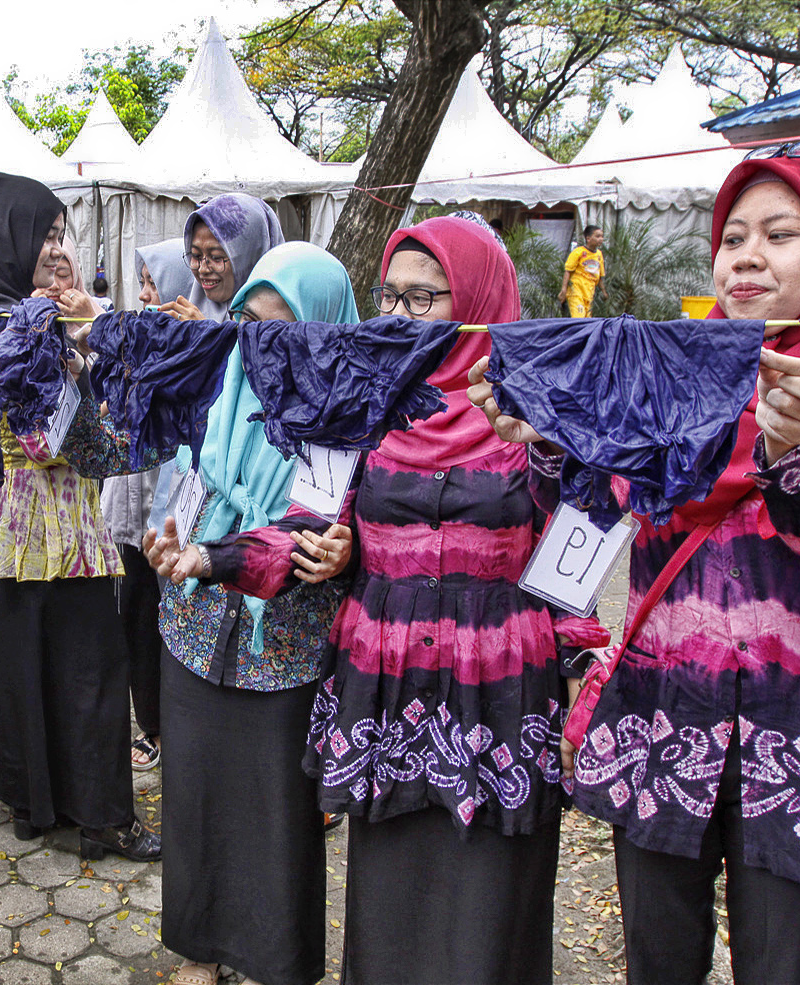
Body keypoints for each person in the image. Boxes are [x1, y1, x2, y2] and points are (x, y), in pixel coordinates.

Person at [471, 145, 800, 984]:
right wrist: (549, 439)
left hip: (799, 739)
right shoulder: (665, 370)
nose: (747, 255)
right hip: (660, 721)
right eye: (734, 234)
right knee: (658, 960)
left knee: (783, 966)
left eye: (781, 234)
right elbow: (600, 501)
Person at [200, 214, 609, 984]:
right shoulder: (361, 402)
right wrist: (211, 557)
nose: (397, 316)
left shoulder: (538, 409)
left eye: (424, 298)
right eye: (389, 295)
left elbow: (579, 543)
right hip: (384, 688)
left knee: (489, 900)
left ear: (482, 300)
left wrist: (584, 681)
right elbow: (306, 523)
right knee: (390, 897)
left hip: (500, 693)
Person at [77, 241, 357, 985]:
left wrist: (215, 557)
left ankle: (276, 959)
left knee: (274, 815)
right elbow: (146, 466)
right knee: (195, 801)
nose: (262, 347)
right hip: (196, 631)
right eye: (250, 325)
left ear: (325, 330)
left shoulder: (344, 418)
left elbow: (308, 529)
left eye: (282, 330)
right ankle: (200, 948)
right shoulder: (221, 386)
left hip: (283, 649)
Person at [0, 170, 158, 862]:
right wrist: (125, 431)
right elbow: (65, 442)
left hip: (7, 531)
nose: (53, 246)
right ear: (2, 238)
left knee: (23, 664)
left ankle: (32, 802)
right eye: (41, 233)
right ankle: (101, 815)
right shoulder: (27, 327)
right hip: (56, 528)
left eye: (59, 232)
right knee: (91, 671)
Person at [102, 239, 198, 771]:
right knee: (138, 619)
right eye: (139, 283)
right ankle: (154, 727)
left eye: (152, 283)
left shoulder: (203, 345)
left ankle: (181, 725)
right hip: (128, 512)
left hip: (178, 518)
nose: (142, 295)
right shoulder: (133, 340)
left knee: (177, 618)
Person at [160, 193, 285, 322]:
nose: (203, 269)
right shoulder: (185, 313)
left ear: (250, 257)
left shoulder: (279, 322)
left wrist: (206, 334)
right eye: (196, 256)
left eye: (216, 257)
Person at [558, 223, 606, 316]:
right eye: (597, 236)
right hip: (577, 290)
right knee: (579, 318)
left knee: (587, 320)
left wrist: (604, 291)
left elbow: (600, 276)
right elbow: (568, 270)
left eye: (602, 236)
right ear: (588, 238)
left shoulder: (599, 254)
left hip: (590, 292)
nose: (601, 239)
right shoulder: (578, 252)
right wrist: (564, 289)